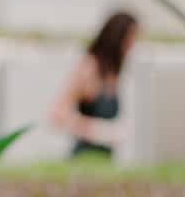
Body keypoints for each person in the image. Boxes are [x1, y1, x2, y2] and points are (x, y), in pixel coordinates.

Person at [49, 10, 139, 159]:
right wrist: (96, 130)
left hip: (106, 159)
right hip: (84, 157)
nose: (132, 47)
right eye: (130, 40)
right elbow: (57, 115)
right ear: (117, 38)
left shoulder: (113, 73)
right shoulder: (89, 68)